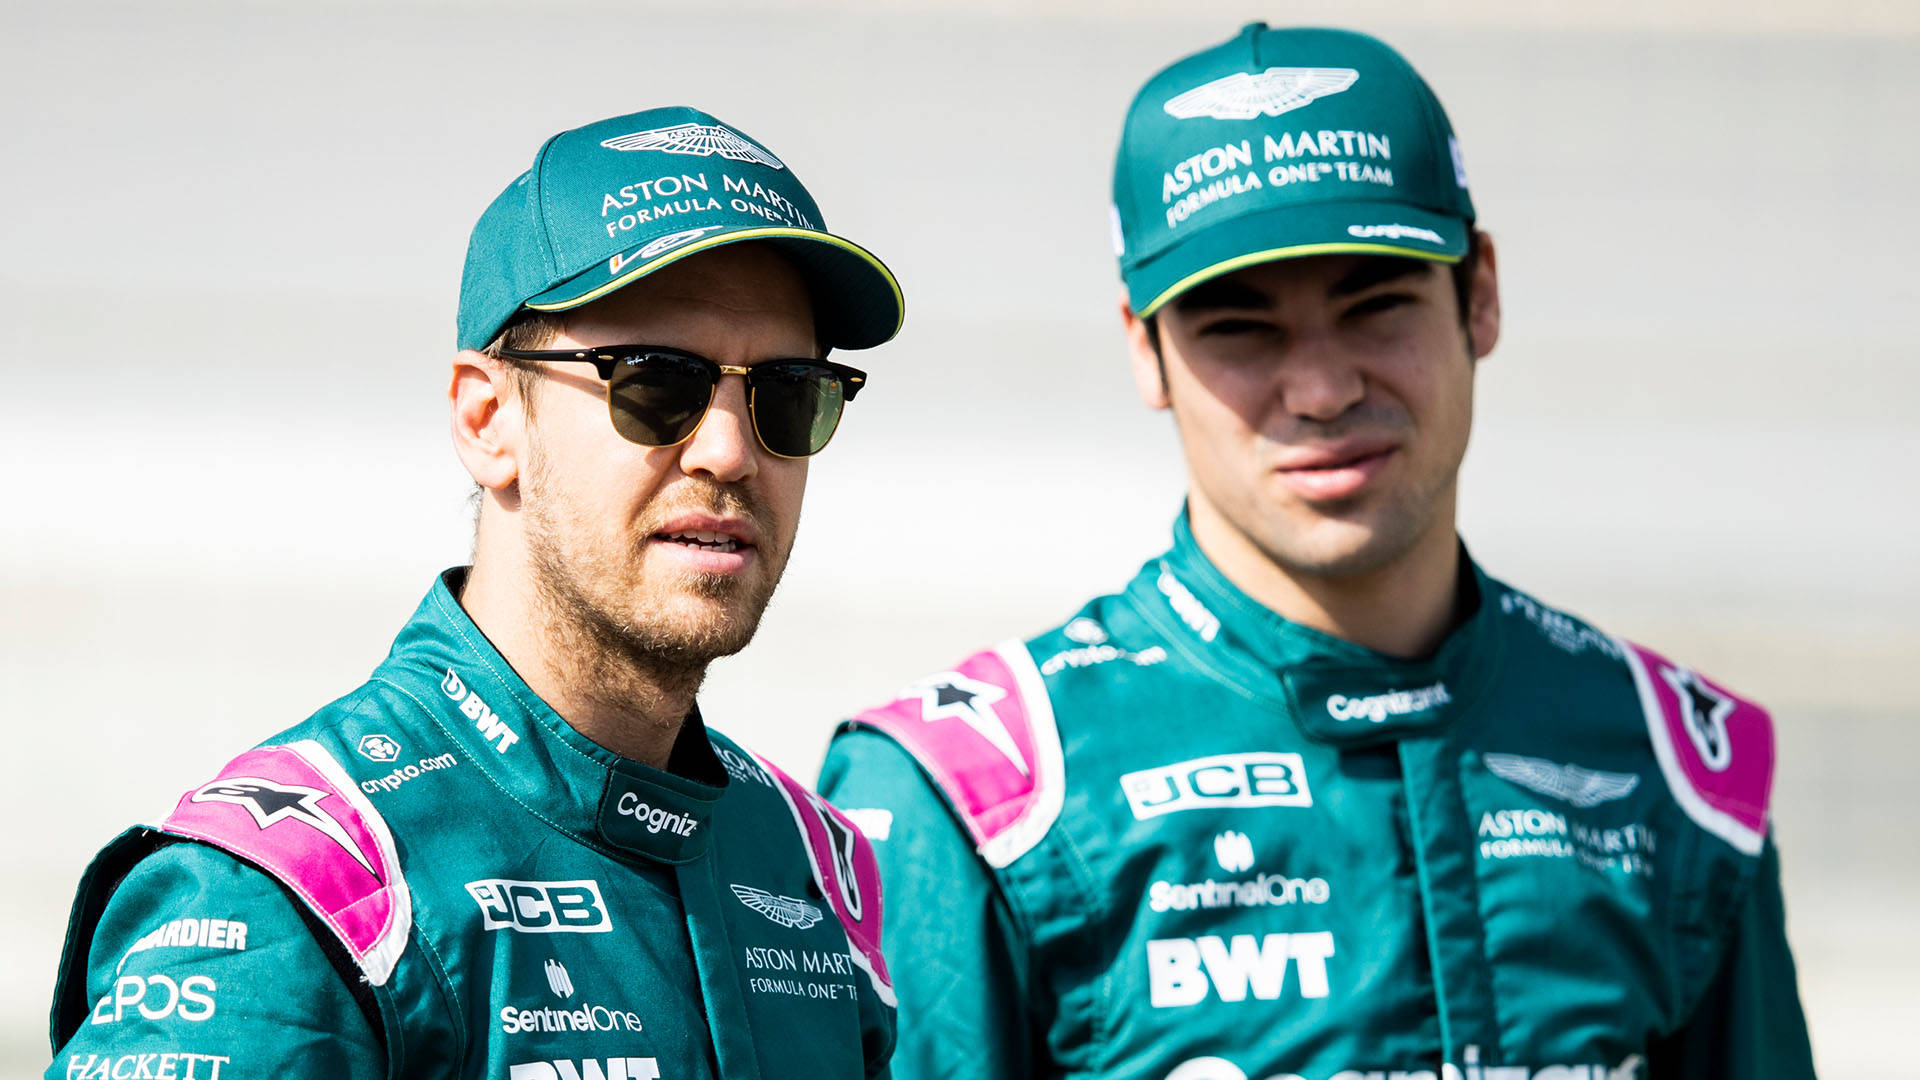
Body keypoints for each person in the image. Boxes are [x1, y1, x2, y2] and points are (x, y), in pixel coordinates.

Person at [819, 24, 1816, 1080]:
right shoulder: (977, 798)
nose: (1324, 390)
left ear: (1479, 291)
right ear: (1142, 347)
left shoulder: (1673, 762)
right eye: (1241, 329)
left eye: (1376, 304)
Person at [48, 106, 903, 1080]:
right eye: (656, 382)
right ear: (489, 418)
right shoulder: (293, 896)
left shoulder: (816, 869)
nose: (729, 451)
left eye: (786, 392)